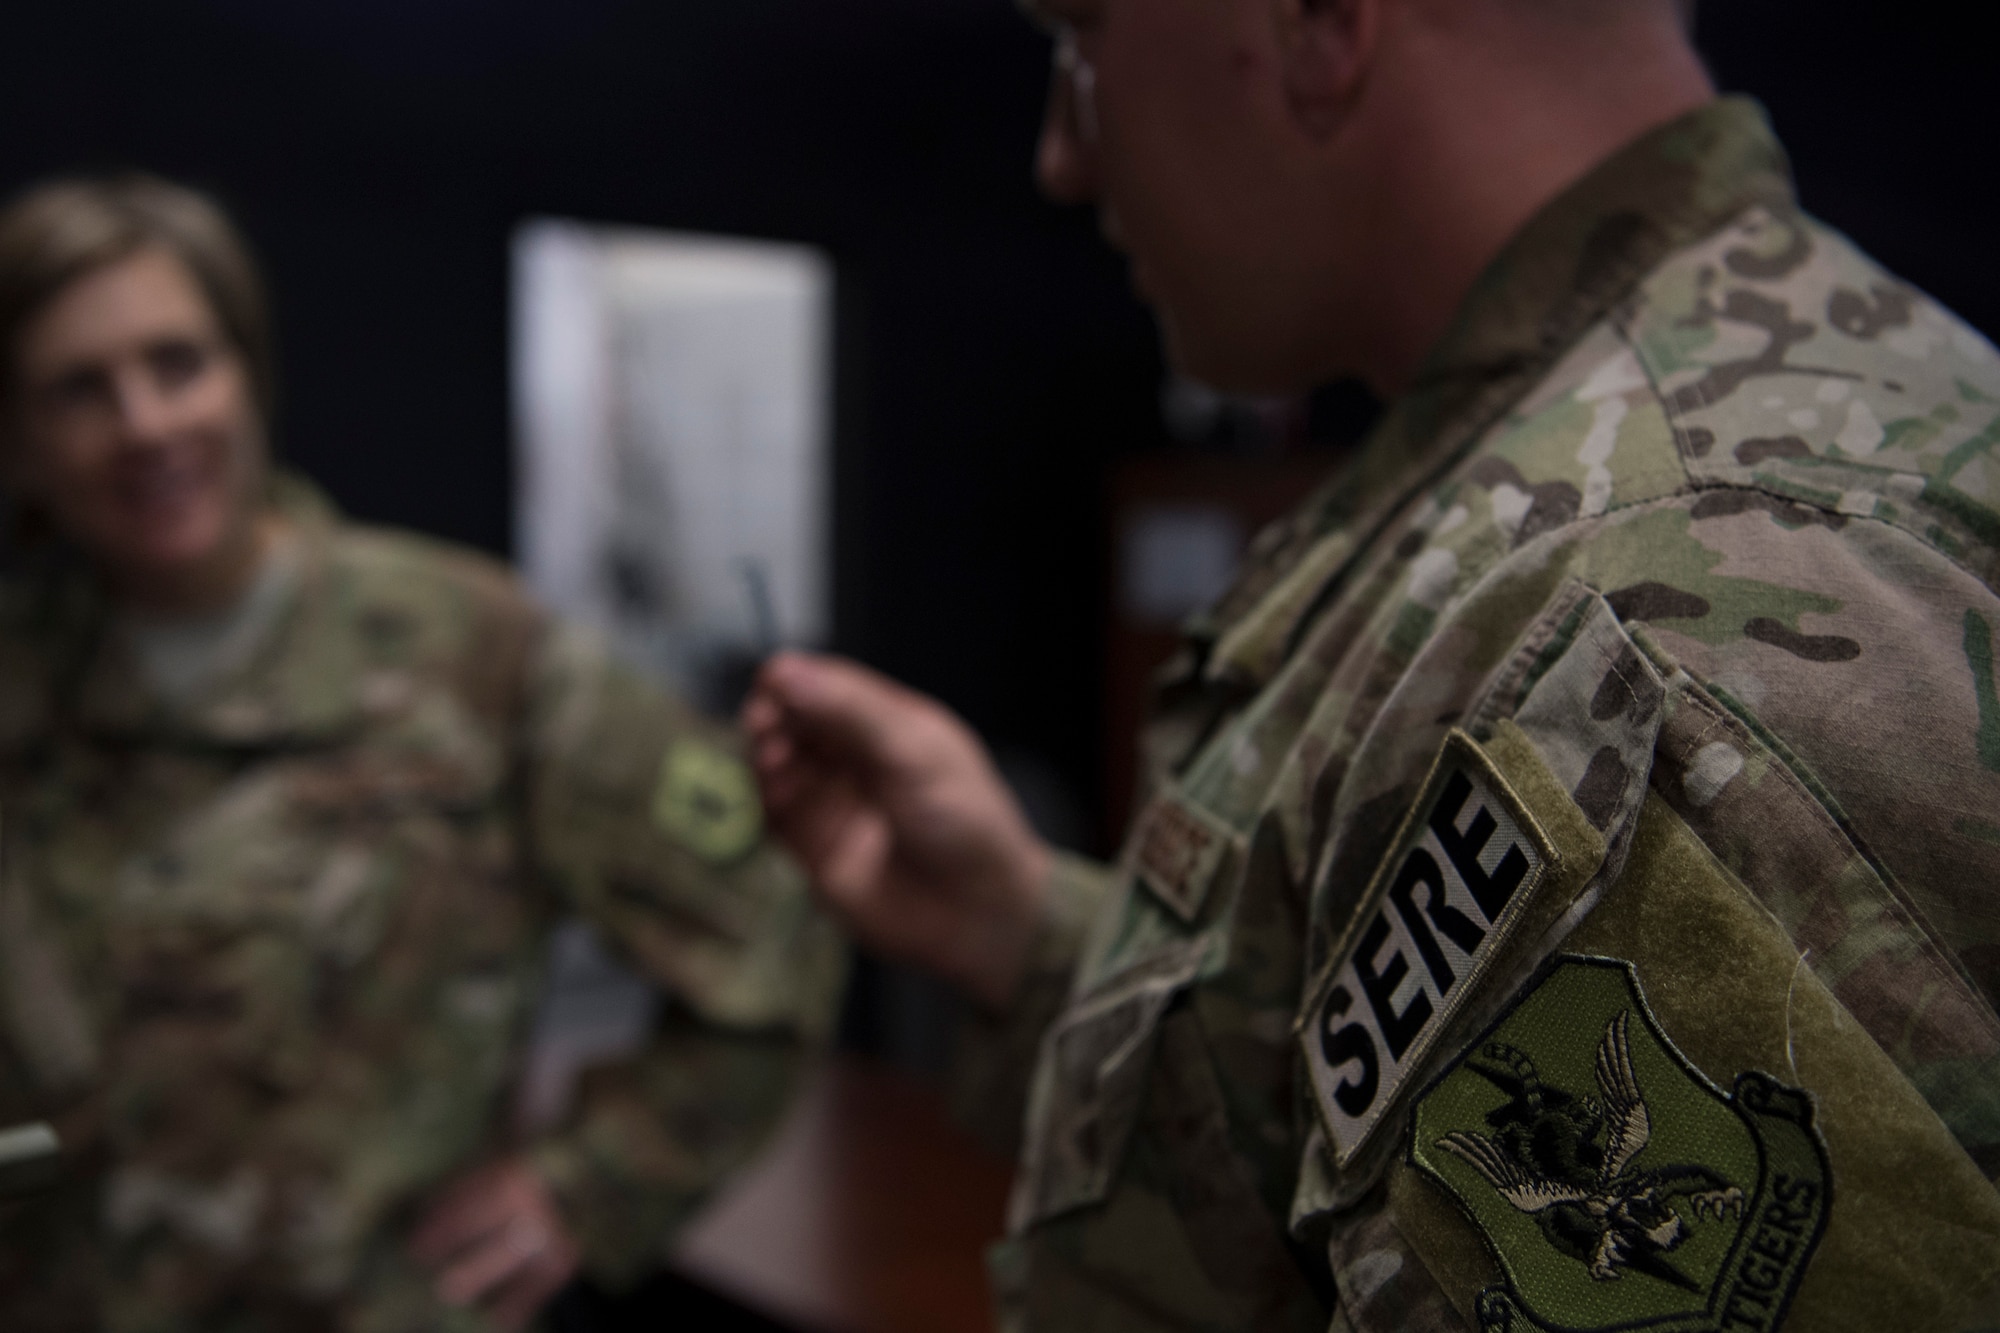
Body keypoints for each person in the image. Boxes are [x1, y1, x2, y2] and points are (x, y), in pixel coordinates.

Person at [744, 0, 2000, 1329]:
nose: (1064, 153)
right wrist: (1019, 932)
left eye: (1082, 37)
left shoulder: (1661, 613)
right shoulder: (1597, 473)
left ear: (1316, 24)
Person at [0, 175, 845, 1332]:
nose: (146, 423)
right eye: (79, 389)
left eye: (178, 362)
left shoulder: (471, 654)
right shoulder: (21, 687)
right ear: (20, 441)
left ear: (247, 373)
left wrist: (588, 1185)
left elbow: (767, 921)